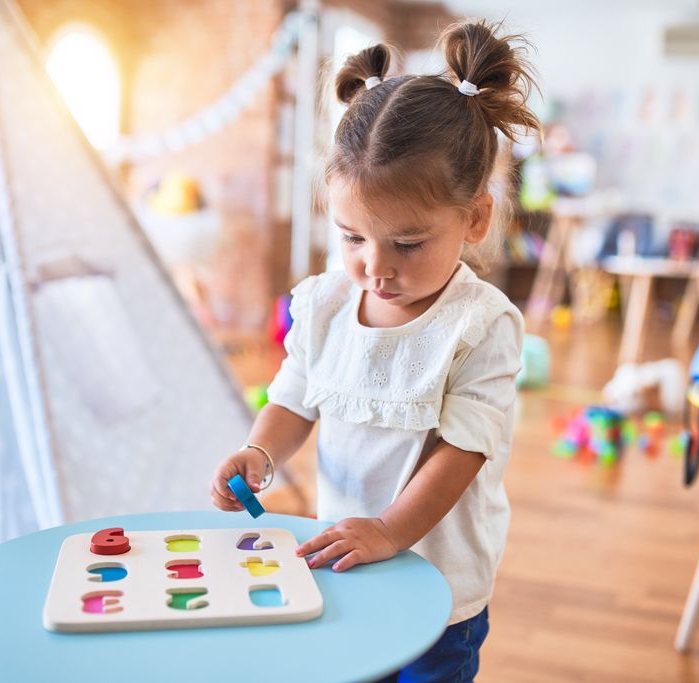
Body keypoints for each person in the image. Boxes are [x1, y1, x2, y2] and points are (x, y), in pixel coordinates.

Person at [211, 20, 540, 681]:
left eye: (408, 243)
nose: (376, 267)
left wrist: (391, 529)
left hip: (437, 586)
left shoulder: (481, 325)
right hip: (345, 561)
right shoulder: (327, 303)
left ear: (474, 218)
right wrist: (260, 451)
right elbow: (295, 394)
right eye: (352, 237)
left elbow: (462, 452)